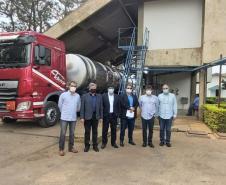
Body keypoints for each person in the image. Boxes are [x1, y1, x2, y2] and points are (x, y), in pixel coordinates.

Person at [58, 81, 81, 156]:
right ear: (68, 86)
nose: (73, 87)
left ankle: (71, 148)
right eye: (72, 86)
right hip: (64, 118)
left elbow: (78, 107)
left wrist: (73, 112)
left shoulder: (77, 96)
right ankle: (61, 149)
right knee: (63, 133)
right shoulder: (63, 95)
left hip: (73, 118)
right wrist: (64, 112)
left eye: (75, 86)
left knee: (72, 133)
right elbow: (60, 105)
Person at [80, 83, 103, 152]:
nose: (93, 89)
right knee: (87, 132)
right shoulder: (84, 96)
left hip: (96, 116)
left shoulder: (99, 96)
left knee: (95, 131)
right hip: (87, 116)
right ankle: (87, 146)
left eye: (95, 87)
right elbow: (82, 108)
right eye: (92, 87)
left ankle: (95, 145)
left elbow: (101, 107)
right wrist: (82, 117)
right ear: (89, 88)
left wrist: (101, 117)